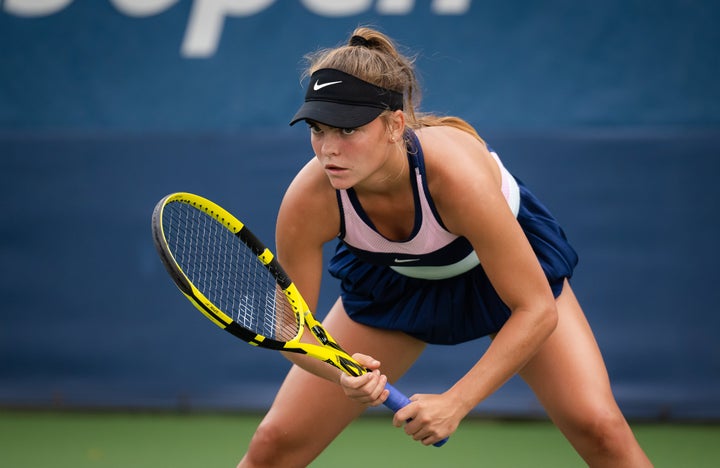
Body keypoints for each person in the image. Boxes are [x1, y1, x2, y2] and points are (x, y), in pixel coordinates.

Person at [238, 27, 651, 467]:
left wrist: (457, 401)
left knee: (601, 429)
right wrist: (339, 371)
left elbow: (536, 309)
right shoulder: (309, 199)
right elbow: (290, 330)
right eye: (318, 130)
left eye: (348, 130)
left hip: (496, 276)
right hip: (395, 283)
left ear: (395, 125)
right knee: (274, 444)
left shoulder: (456, 178)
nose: (328, 150)